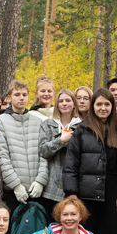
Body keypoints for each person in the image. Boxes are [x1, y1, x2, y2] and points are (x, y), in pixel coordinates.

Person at [63, 88, 117, 234]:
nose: (103, 108)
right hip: (86, 190)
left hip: (112, 190)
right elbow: (71, 164)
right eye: (99, 104)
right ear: (93, 106)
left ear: (112, 106)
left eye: (107, 104)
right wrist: (72, 193)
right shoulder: (82, 130)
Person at [0, 81, 48, 214]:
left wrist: (40, 181)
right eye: (17, 94)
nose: (21, 97)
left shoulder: (38, 121)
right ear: (9, 97)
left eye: (24, 94)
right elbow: (3, 157)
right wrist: (16, 185)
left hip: (36, 191)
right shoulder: (0, 122)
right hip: (13, 192)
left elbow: (44, 154)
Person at [38, 89, 82, 218]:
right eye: (61, 101)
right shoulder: (47, 125)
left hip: (74, 185)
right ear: (56, 104)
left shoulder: (81, 126)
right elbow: (42, 151)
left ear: (74, 104)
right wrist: (61, 141)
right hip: (51, 186)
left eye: (68, 100)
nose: (64, 103)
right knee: (51, 226)